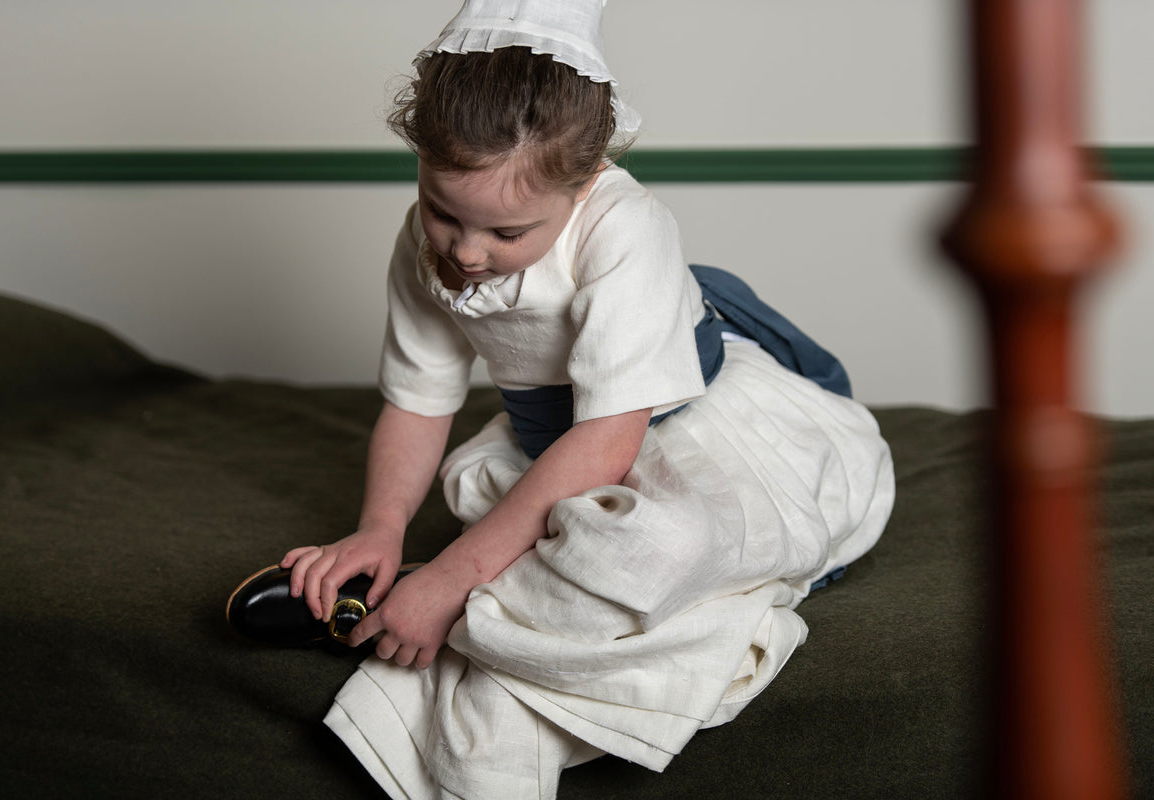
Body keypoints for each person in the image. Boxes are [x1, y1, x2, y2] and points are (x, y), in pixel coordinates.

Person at [277, 1, 895, 796]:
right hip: (553, 447)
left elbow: (610, 438)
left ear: (584, 181)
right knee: (571, 549)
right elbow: (417, 400)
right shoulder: (428, 244)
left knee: (651, 550)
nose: (466, 252)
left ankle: (445, 609)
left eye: (507, 235)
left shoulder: (626, 226)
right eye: (443, 213)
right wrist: (381, 528)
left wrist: (451, 577)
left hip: (663, 423)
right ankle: (451, 600)